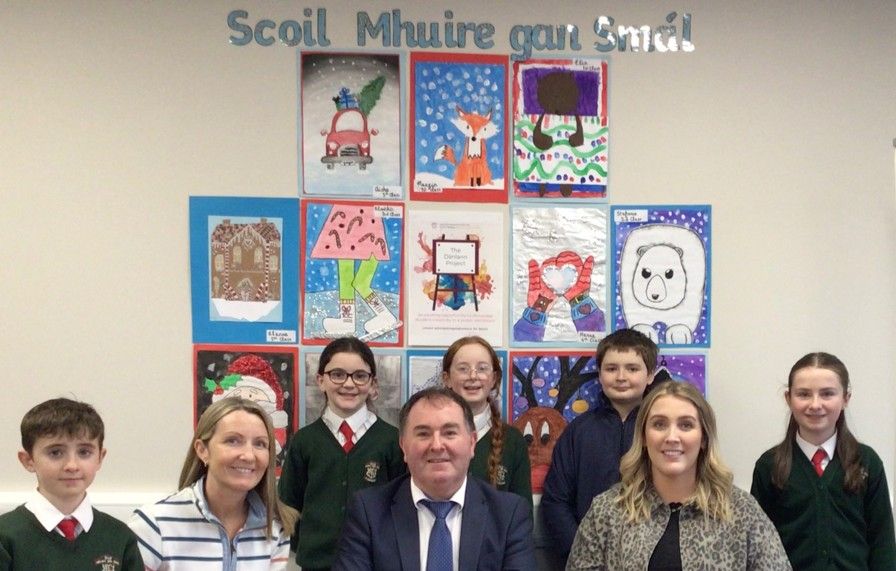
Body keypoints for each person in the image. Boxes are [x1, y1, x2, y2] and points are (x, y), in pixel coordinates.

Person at [567, 381, 791, 570]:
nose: (672, 437)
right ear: (643, 436)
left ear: (704, 438)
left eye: (686, 425)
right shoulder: (607, 512)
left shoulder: (741, 512)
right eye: (659, 424)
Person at [332, 387, 535, 571]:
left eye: (449, 433)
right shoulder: (369, 511)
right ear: (403, 446)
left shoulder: (508, 514)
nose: (437, 445)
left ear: (472, 443)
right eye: (423, 434)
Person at [751, 352, 896, 569]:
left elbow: (882, 543)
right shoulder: (769, 466)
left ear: (845, 398)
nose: (815, 404)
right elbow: (758, 545)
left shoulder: (866, 462)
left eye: (827, 394)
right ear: (788, 399)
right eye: (803, 394)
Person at [279, 336, 405, 571]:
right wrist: (308, 546)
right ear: (320, 381)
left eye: (360, 376)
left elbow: (402, 506)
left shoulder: (392, 441)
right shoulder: (304, 441)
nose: (348, 384)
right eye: (337, 374)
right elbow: (288, 506)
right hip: (316, 565)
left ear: (373, 384)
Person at [129, 398, 296, 570]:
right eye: (233, 441)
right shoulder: (154, 524)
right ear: (202, 450)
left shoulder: (275, 528)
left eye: (260, 444)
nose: (248, 455)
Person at [541, 328, 658, 561]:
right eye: (611, 369)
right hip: (586, 558)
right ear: (600, 374)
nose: (621, 377)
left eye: (632, 369)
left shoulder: (663, 431)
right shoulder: (578, 431)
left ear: (650, 375)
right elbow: (556, 501)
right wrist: (582, 553)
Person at [0, 398, 144, 570]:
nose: (72, 465)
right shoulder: (5, 536)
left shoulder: (120, 536)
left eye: (84, 452)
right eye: (55, 453)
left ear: (100, 458)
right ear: (28, 460)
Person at [441, 335, 532, 504]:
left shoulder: (513, 440)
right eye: (463, 369)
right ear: (447, 379)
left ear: (494, 378)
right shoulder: (431, 437)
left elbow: (523, 512)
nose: (473, 376)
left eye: (482, 368)